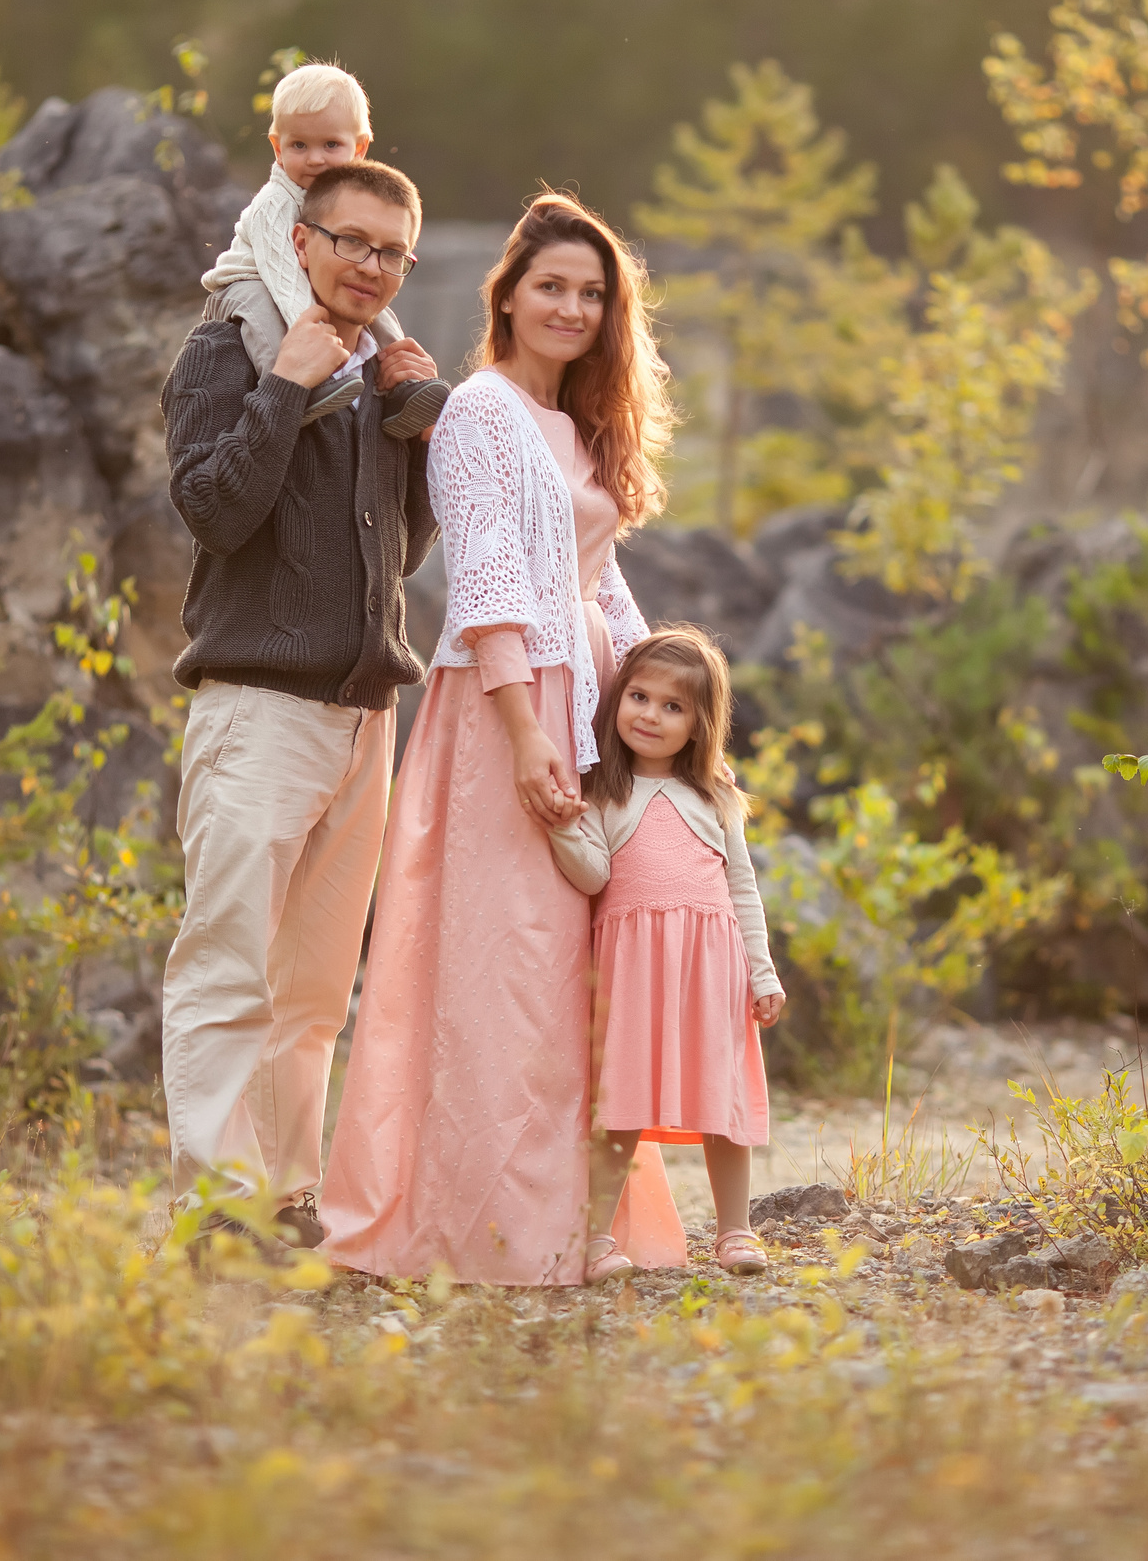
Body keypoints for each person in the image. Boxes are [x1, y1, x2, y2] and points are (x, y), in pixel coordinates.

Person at [322, 192, 688, 1286]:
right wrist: (527, 731)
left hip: (584, 703)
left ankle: (575, 1220)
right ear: (510, 298)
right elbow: (481, 578)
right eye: (551, 288)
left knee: (572, 970)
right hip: (505, 711)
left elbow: (599, 582)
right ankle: (485, 1227)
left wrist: (664, 709)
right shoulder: (480, 409)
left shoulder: (583, 427)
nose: (571, 308)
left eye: (591, 293)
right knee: (505, 966)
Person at [159, 158, 447, 1244]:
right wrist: (283, 384)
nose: (370, 265)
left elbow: (401, 554)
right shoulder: (224, 350)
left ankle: (284, 1198)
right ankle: (212, 1210)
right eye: (350, 241)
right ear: (300, 241)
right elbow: (213, 512)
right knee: (227, 963)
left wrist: (417, 428)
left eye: (391, 252)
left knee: (316, 989)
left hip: (363, 715)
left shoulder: (378, 370)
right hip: (258, 706)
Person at [547, 628, 787, 1280]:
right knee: (619, 1103)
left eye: (673, 706)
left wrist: (762, 972)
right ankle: (597, 1239)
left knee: (723, 1101)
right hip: (630, 971)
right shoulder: (604, 792)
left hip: (712, 969)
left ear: (700, 724)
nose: (650, 715)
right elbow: (593, 875)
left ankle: (735, 1230)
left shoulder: (716, 796)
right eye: (640, 697)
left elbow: (742, 888)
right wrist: (563, 826)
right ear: (618, 698)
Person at [199, 60, 444, 433]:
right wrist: (314, 343)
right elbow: (284, 279)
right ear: (277, 147)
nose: (315, 159)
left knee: (376, 310)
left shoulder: (350, 200)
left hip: (300, 285)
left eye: (331, 144)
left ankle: (404, 388)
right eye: (299, 145)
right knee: (266, 322)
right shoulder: (274, 204)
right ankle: (298, 388)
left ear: (359, 147)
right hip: (250, 282)